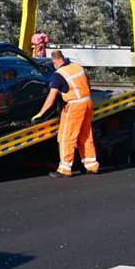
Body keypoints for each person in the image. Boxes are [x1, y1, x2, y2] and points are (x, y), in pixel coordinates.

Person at [32, 50, 99, 178]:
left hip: (74, 106)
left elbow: (51, 98)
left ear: (54, 61)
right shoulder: (76, 66)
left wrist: (40, 113)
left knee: (66, 138)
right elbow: (87, 84)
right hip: (87, 102)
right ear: (63, 58)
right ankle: (92, 166)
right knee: (85, 135)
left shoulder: (59, 74)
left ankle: (65, 169)